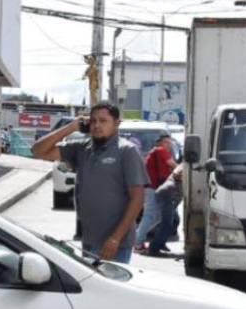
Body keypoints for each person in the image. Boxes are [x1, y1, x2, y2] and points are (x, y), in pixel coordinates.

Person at [32, 102, 145, 263]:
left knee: (110, 288)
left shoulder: (127, 151)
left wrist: (115, 239)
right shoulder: (82, 148)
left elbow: (138, 199)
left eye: (103, 121)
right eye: (93, 121)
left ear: (116, 124)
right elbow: (38, 150)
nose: (97, 125)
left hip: (115, 244)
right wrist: (70, 127)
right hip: (89, 241)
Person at [135, 134, 174, 253]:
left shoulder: (157, 152)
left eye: (169, 142)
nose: (169, 144)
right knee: (150, 215)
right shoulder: (160, 150)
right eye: (166, 142)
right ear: (159, 143)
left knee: (157, 217)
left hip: (155, 188)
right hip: (152, 187)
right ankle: (137, 243)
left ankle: (137, 237)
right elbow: (173, 165)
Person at [146, 152, 183, 257]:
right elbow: (176, 173)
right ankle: (154, 248)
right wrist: (183, 176)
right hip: (168, 195)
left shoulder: (184, 166)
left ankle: (161, 243)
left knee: (175, 221)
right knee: (167, 224)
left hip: (171, 196)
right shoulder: (183, 166)